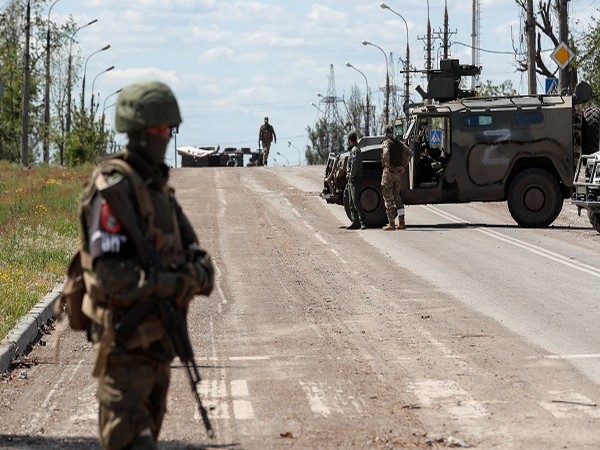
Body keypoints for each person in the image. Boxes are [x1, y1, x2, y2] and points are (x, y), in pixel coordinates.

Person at [78, 80, 215, 449]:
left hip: (159, 348)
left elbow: (201, 262)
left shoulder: (158, 189)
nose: (164, 137)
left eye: (167, 129)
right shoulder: (113, 189)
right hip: (124, 350)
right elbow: (109, 276)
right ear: (137, 133)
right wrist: (169, 284)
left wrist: (193, 277)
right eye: (157, 129)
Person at [381, 124, 413, 230]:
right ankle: (401, 222)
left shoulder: (386, 143)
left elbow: (385, 154)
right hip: (397, 173)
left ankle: (391, 223)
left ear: (386, 133)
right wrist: (403, 166)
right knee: (397, 198)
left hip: (389, 173)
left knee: (388, 197)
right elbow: (409, 153)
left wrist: (387, 166)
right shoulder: (399, 143)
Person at [345, 131, 367, 230]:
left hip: (355, 179)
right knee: (351, 202)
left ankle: (362, 222)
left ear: (350, 140)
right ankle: (355, 222)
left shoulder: (355, 151)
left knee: (356, 201)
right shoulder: (354, 150)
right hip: (351, 179)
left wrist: (351, 175)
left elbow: (354, 166)